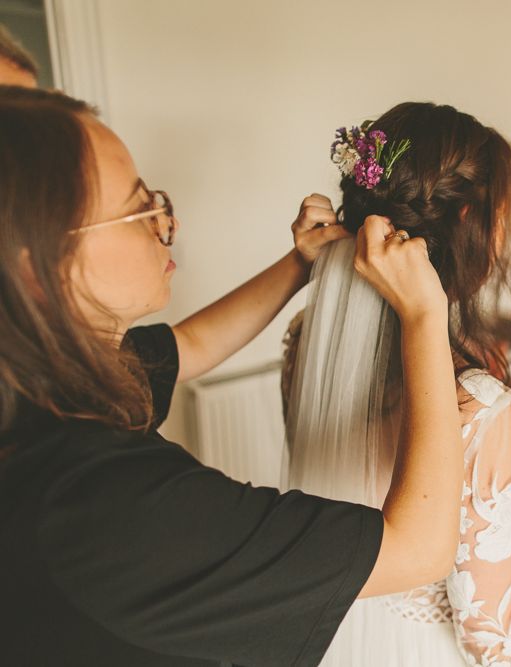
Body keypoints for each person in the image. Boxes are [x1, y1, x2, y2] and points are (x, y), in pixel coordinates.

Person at [0, 86, 464, 666]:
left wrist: (302, 261)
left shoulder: (47, 376)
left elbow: (190, 345)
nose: (167, 221)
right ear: (39, 269)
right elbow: (418, 549)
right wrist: (424, 316)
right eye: (139, 208)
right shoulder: (109, 504)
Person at [282, 102, 511, 666]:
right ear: (472, 220)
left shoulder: (306, 344)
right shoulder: (484, 411)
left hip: (327, 629)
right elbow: (490, 636)